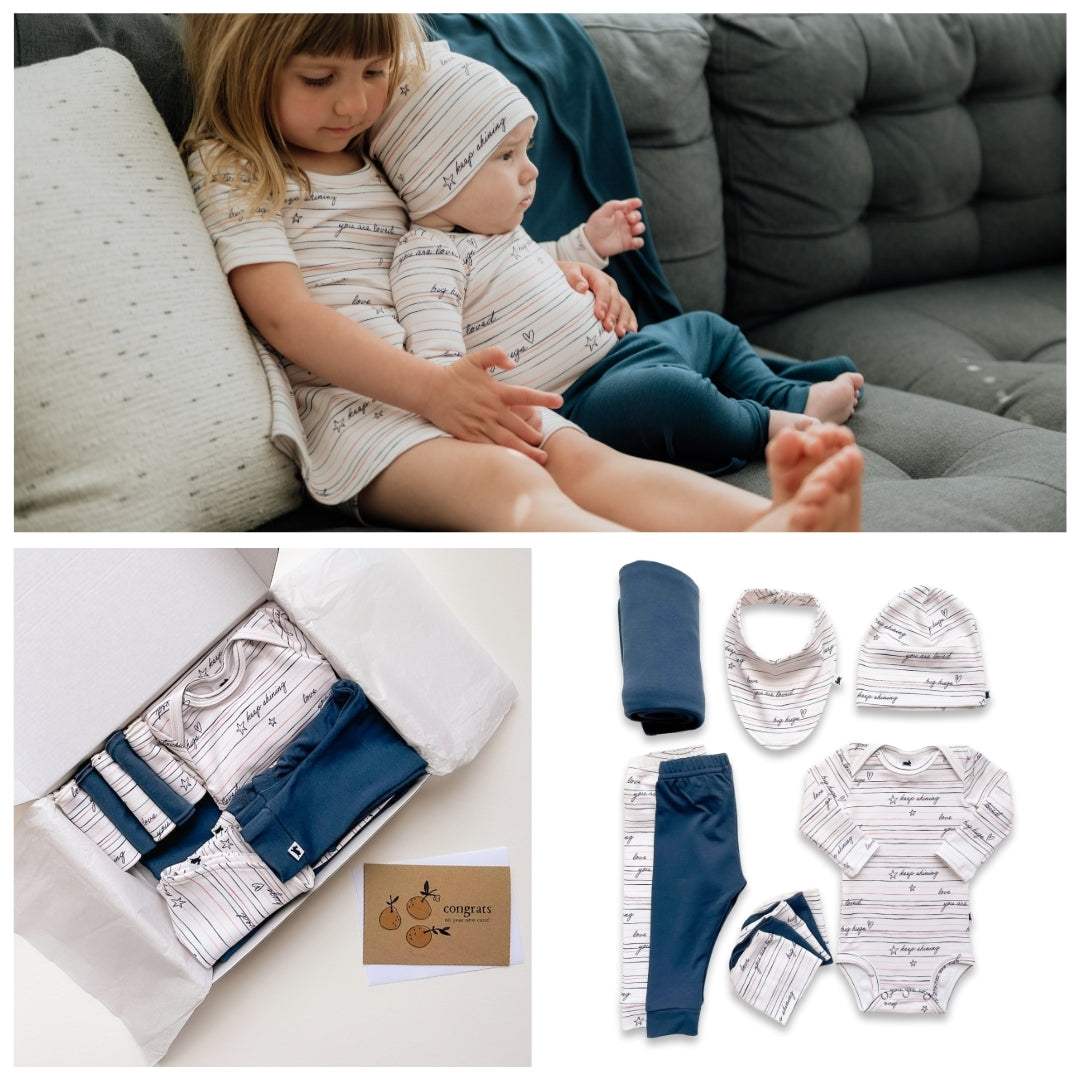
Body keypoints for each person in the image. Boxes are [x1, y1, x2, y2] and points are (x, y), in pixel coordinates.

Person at [181, 13, 862, 530]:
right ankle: (672, 578)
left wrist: (566, 271)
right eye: (319, 78)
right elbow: (285, 314)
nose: (353, 104)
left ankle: (767, 531)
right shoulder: (235, 163)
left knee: (589, 463)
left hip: (458, 388)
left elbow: (467, 254)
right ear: (243, 66)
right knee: (515, 488)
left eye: (373, 72)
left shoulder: (381, 149)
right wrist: (429, 390)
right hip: (366, 417)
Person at [372, 42, 864, 476]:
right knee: (673, 399)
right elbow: (440, 370)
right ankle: (772, 425)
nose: (531, 171)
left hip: (626, 352)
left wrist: (589, 242)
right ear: (437, 175)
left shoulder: (501, 231)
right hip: (583, 400)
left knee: (709, 328)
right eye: (506, 156)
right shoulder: (428, 261)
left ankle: (786, 395)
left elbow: (549, 265)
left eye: (527, 150)